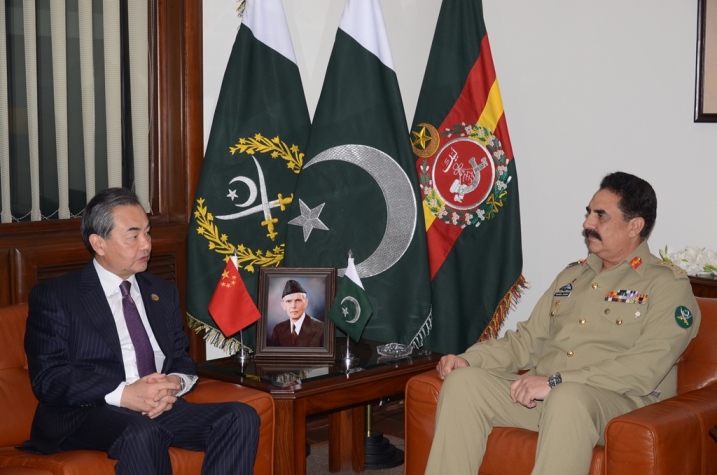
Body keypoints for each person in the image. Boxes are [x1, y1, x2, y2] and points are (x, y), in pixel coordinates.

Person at [425, 171, 701, 475]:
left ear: (634, 226)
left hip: (618, 404)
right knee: (464, 383)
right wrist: (468, 359)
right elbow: (526, 342)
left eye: (601, 216)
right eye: (588, 213)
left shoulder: (667, 285)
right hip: (549, 396)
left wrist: (557, 382)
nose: (587, 224)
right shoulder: (572, 276)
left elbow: (642, 369)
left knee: (567, 398)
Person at [22, 187, 260, 475]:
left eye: (147, 233)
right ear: (99, 243)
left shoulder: (161, 292)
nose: (146, 244)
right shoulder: (57, 296)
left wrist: (173, 383)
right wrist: (124, 394)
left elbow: (181, 359)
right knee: (142, 432)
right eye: (133, 236)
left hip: (157, 407)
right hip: (88, 411)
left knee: (240, 416)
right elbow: (49, 378)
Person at [269, 279, 324, 347]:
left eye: (298, 300)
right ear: (283, 306)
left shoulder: (320, 328)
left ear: (305, 303)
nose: (293, 306)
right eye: (289, 301)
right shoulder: (278, 329)